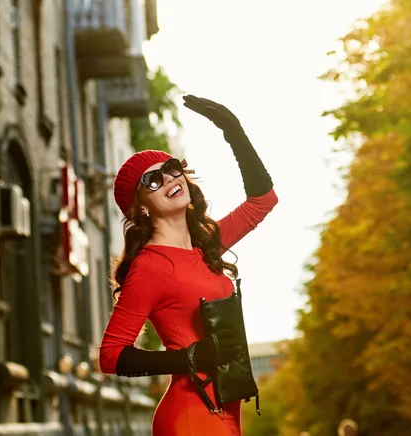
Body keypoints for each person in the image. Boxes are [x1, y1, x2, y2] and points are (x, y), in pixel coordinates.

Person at [99, 95, 278, 435]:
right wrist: (187, 360)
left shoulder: (206, 245)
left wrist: (234, 132)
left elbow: (262, 201)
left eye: (170, 169)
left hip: (226, 408)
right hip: (190, 415)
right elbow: (110, 355)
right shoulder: (150, 267)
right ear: (141, 208)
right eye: (153, 180)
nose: (167, 179)